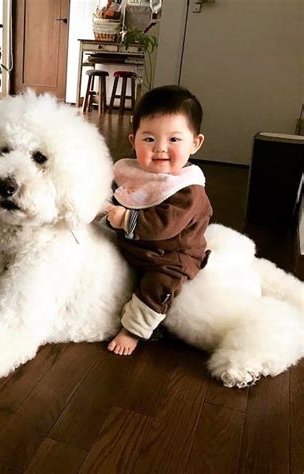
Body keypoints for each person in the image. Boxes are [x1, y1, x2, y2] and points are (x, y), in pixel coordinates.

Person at [107, 85, 213, 355]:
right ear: (134, 141)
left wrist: (125, 219)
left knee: (158, 286)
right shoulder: (133, 173)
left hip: (171, 255)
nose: (160, 149)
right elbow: (118, 196)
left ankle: (133, 329)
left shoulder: (188, 190)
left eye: (174, 140)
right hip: (137, 247)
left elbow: (162, 225)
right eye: (149, 139)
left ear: (195, 143)